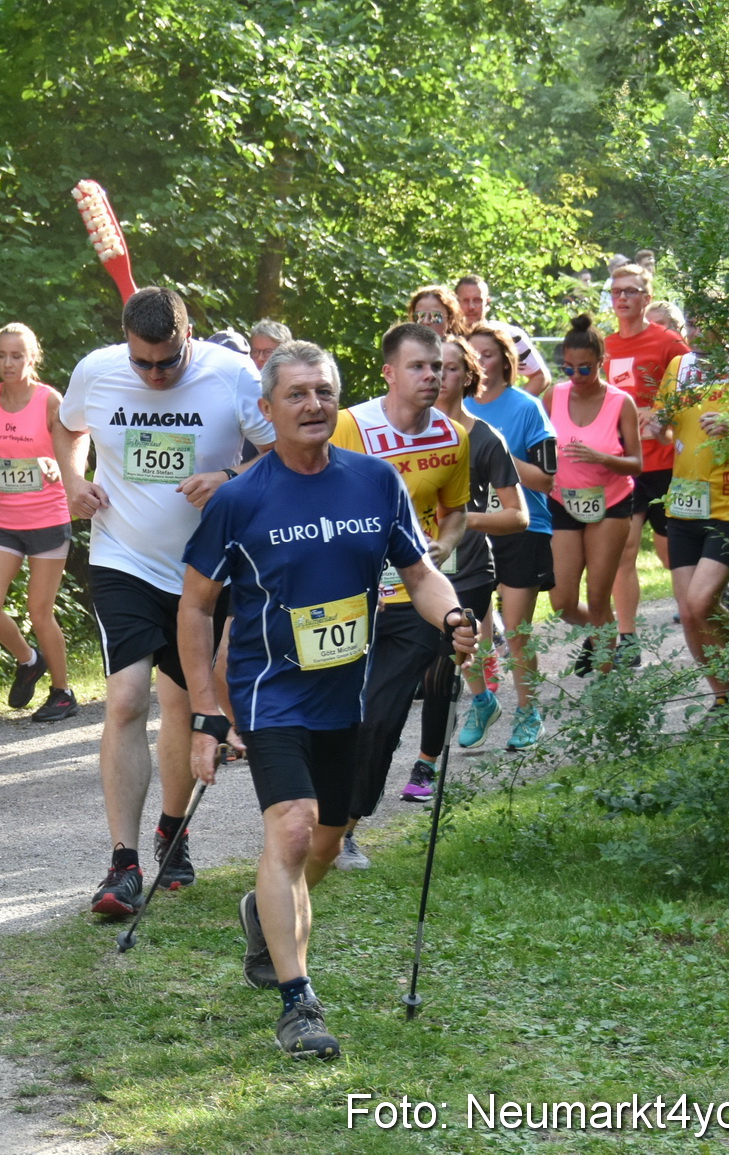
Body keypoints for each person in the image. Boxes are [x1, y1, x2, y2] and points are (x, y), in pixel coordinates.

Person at [178, 339, 475, 1059]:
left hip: (348, 693)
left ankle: (264, 910)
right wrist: (207, 711)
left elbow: (419, 569)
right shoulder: (241, 498)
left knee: (327, 839)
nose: (313, 405)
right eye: (297, 394)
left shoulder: (374, 482)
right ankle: (297, 1002)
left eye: (324, 391)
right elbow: (195, 608)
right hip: (270, 693)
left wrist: (455, 614)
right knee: (291, 829)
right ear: (269, 409)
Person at [55, 287, 275, 915]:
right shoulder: (96, 371)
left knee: (182, 705)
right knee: (126, 698)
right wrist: (74, 479)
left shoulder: (232, 375)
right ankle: (122, 863)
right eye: (142, 363)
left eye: (167, 362)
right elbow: (67, 427)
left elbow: (279, 452)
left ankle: (172, 831)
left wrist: (230, 479)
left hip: (206, 572)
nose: (154, 375)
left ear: (188, 337)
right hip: (122, 558)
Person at [327, 322, 469, 869]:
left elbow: (455, 512)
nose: (431, 376)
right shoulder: (346, 427)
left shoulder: (455, 438)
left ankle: (346, 828)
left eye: (437, 367)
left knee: (381, 719)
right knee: (332, 713)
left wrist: (442, 546)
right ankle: (309, 812)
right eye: (418, 366)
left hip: (414, 602)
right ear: (389, 372)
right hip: (344, 600)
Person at [403, 336, 526, 801]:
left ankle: (425, 766)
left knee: (440, 665)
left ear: (467, 377)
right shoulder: (402, 436)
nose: (438, 377)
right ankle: (481, 699)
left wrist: (458, 518)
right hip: (412, 570)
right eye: (431, 368)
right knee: (410, 665)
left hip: (470, 569)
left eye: (450, 369)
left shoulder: (484, 438)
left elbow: (518, 516)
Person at [0, 323, 79, 722]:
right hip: (6, 519)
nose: (8, 363)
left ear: (32, 358)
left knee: (39, 610)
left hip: (48, 517)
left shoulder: (50, 401)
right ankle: (29, 660)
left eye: (16, 356)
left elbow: (74, 453)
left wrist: (56, 465)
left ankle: (63, 693)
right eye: (1, 355)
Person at [651, 341, 729, 714]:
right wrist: (656, 423)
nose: (696, 329)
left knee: (702, 602)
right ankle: (724, 696)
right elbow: (664, 427)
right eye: (691, 320)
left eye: (704, 320)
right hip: (683, 503)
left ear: (725, 322)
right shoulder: (680, 367)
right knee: (688, 610)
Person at [463, 322, 559, 750]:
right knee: (463, 625)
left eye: (487, 354)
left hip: (524, 525)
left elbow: (545, 481)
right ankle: (481, 701)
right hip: (470, 527)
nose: (479, 362)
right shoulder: (454, 410)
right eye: (472, 354)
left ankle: (529, 711)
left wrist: (496, 452)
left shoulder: (527, 408)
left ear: (505, 361)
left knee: (516, 626)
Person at [546, 317, 643, 674]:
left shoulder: (621, 402)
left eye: (584, 368)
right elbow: (536, 446)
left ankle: (605, 679)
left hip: (611, 505)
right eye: (567, 368)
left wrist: (602, 458)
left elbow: (636, 463)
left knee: (597, 595)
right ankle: (606, 635)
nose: (575, 375)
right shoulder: (552, 396)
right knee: (562, 601)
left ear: (601, 362)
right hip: (563, 503)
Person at [605, 263, 692, 664]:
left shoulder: (668, 343)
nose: (621, 298)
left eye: (630, 291)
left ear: (646, 297)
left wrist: (664, 417)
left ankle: (701, 612)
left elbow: (695, 390)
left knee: (671, 551)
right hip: (623, 463)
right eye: (616, 291)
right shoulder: (604, 347)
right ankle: (628, 640)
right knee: (623, 550)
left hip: (665, 462)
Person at [453, 274, 550, 394]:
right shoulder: (447, 339)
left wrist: (513, 408)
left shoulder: (508, 335)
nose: (471, 307)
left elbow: (540, 377)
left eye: (477, 300)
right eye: (465, 301)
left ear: (487, 302)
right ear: (456, 303)